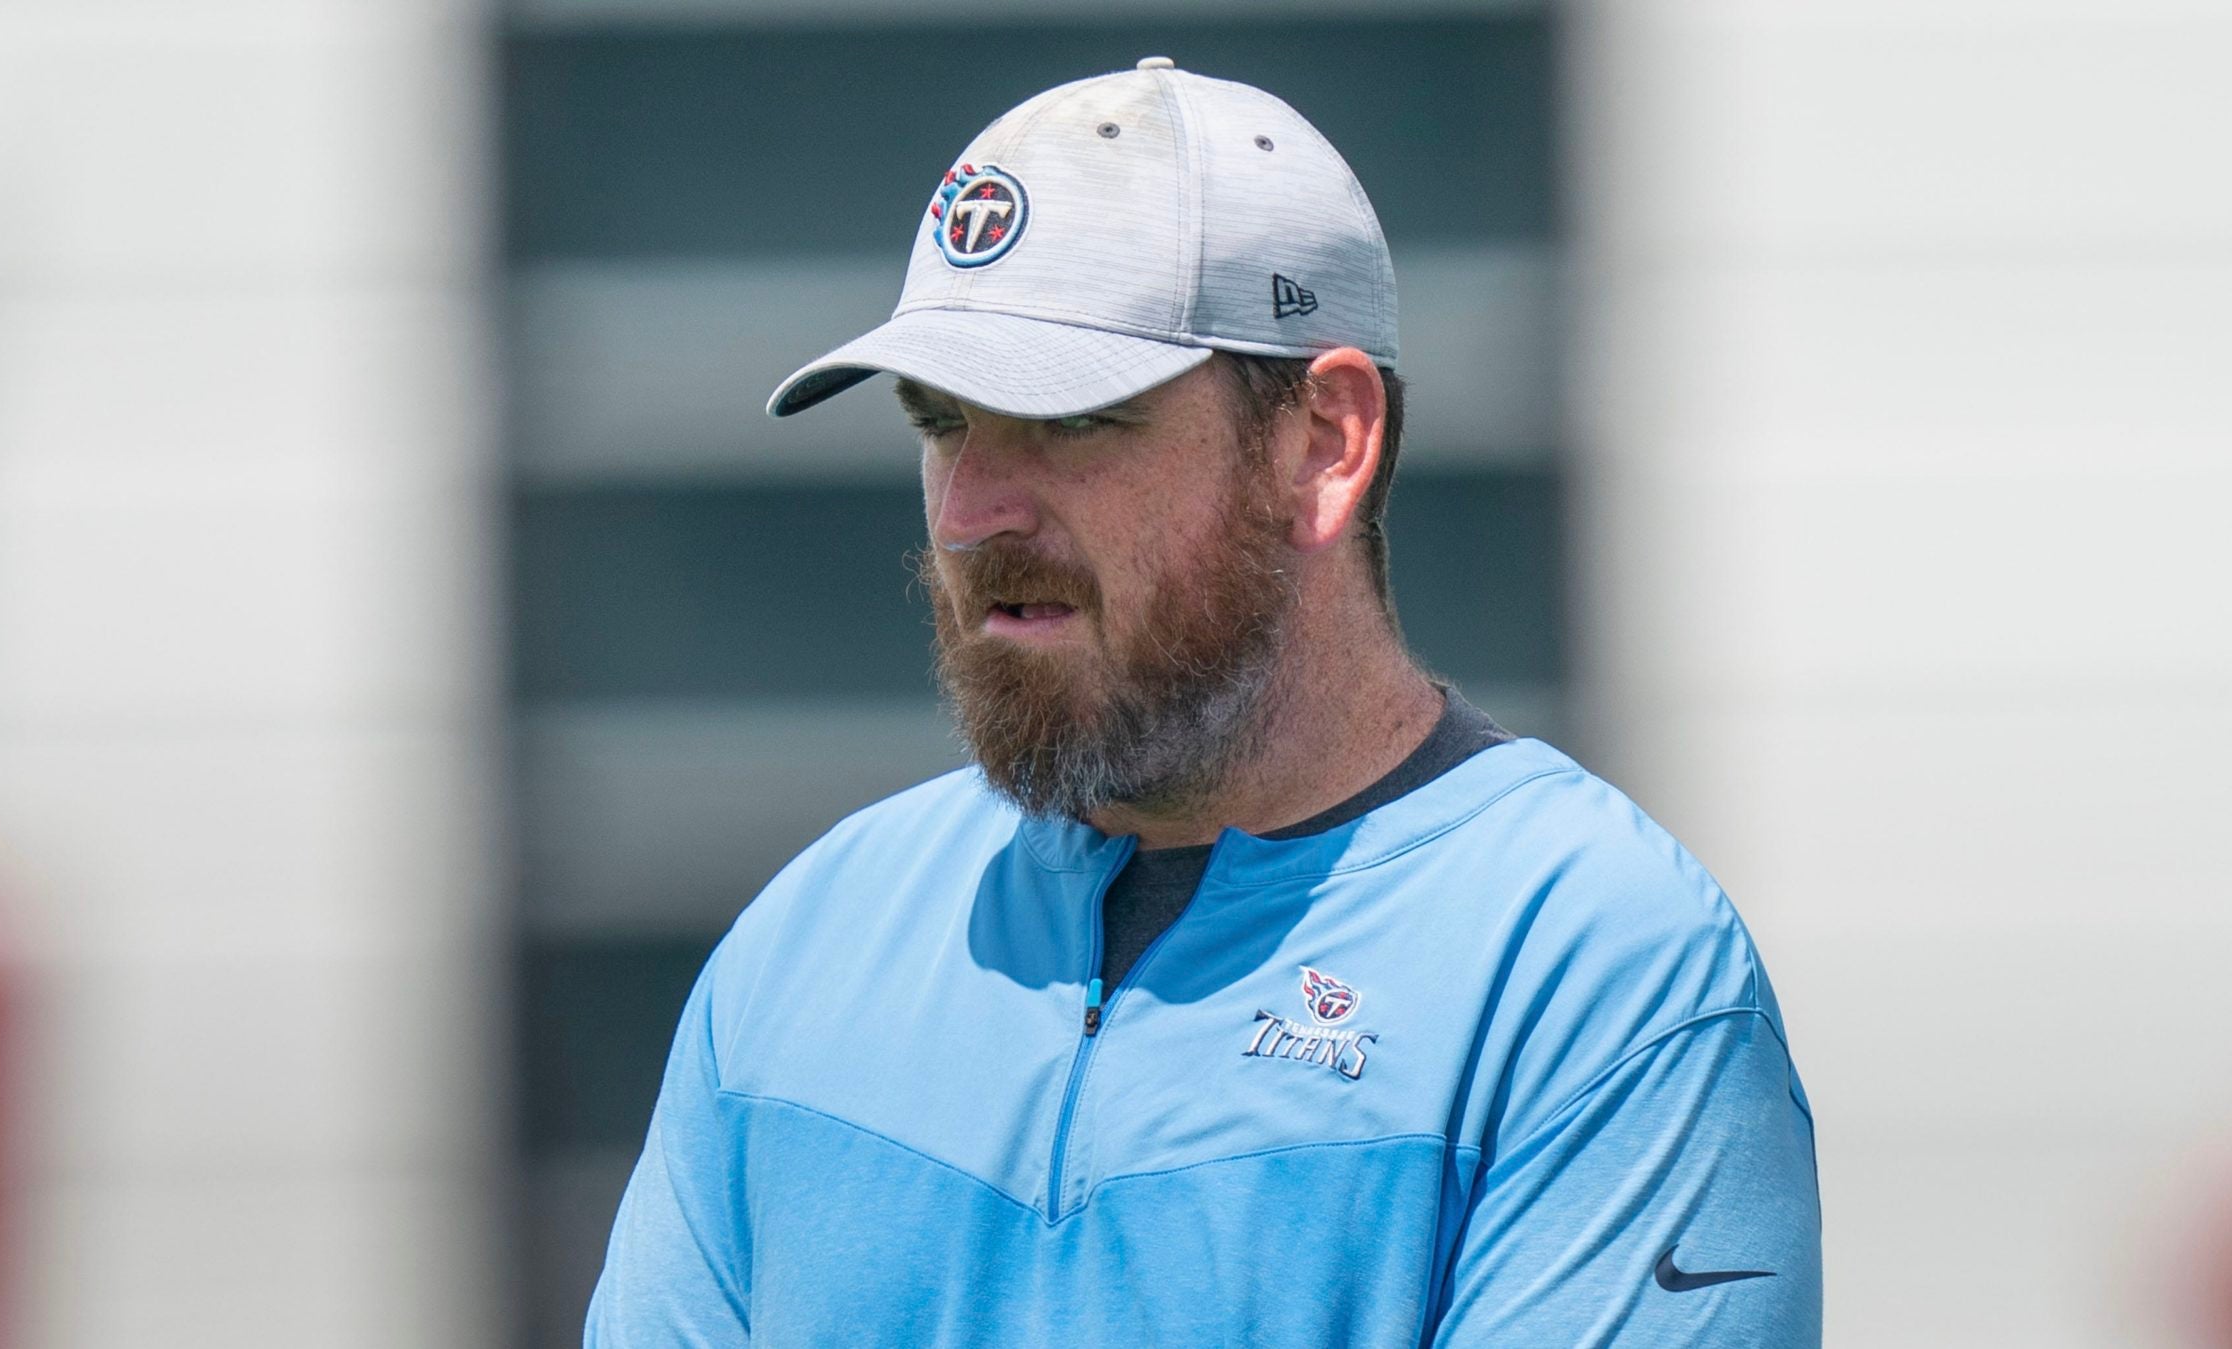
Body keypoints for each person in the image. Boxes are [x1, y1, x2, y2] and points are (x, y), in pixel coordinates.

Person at [585, 57, 1821, 1347]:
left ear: (1323, 442)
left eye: (1069, 420)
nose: (970, 512)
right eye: (944, 422)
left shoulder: (1590, 972)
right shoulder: (805, 949)